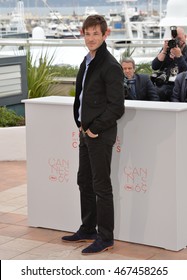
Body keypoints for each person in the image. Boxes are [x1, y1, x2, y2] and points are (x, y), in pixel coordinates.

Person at [61, 15, 125, 254]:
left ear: (105, 35)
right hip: (85, 133)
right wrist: (80, 123)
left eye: (95, 34)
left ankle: (105, 237)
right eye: (87, 34)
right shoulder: (87, 61)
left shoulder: (110, 65)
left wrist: (94, 128)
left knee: (101, 186)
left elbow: (117, 106)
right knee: (84, 182)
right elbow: (81, 96)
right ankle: (88, 228)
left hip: (100, 134)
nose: (91, 38)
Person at [151, 26, 187, 101]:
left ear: (185, 37)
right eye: (175, 39)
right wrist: (164, 51)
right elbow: (154, 66)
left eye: (179, 39)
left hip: (181, 85)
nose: (177, 41)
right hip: (164, 83)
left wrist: (179, 56)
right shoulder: (167, 49)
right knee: (155, 93)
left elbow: (185, 71)